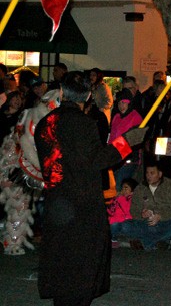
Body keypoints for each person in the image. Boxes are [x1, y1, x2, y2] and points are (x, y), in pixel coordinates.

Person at [34, 71, 147, 305]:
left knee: (60, 258)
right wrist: (127, 141)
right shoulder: (83, 124)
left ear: (63, 92)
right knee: (81, 263)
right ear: (87, 95)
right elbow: (96, 159)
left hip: (56, 200)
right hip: (80, 203)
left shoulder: (45, 122)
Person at [121, 161, 171, 250]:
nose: (148, 176)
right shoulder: (140, 188)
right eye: (147, 173)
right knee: (125, 226)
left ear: (160, 174)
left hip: (164, 221)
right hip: (146, 223)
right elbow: (133, 209)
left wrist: (160, 216)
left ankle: (146, 243)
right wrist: (142, 214)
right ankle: (159, 241)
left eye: (152, 173)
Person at [109, 90, 143, 191]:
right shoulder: (116, 117)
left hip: (130, 158)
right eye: (119, 103)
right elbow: (112, 137)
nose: (121, 106)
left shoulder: (135, 117)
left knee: (121, 186)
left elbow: (135, 139)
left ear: (129, 103)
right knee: (117, 186)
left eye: (124, 102)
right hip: (116, 158)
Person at [107, 177, 138, 247]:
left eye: (126, 188)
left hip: (128, 221)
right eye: (122, 188)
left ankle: (129, 240)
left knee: (125, 226)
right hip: (116, 221)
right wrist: (116, 199)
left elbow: (130, 210)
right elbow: (110, 210)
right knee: (114, 224)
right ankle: (113, 239)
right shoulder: (118, 198)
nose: (123, 190)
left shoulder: (135, 199)